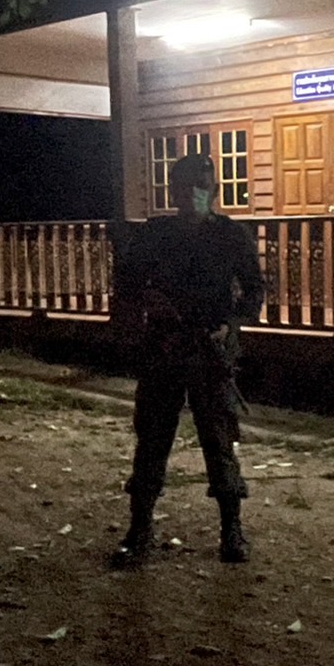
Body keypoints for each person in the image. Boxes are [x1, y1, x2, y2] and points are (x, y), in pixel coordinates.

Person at [111, 152, 264, 565]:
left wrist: (230, 324)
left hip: (210, 351)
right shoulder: (155, 234)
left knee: (219, 440)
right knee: (152, 440)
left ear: (213, 190)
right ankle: (139, 530)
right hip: (164, 348)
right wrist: (148, 300)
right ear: (173, 191)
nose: (193, 194)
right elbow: (127, 284)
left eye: (201, 186)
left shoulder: (231, 235)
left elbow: (254, 291)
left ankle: (232, 529)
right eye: (185, 186)